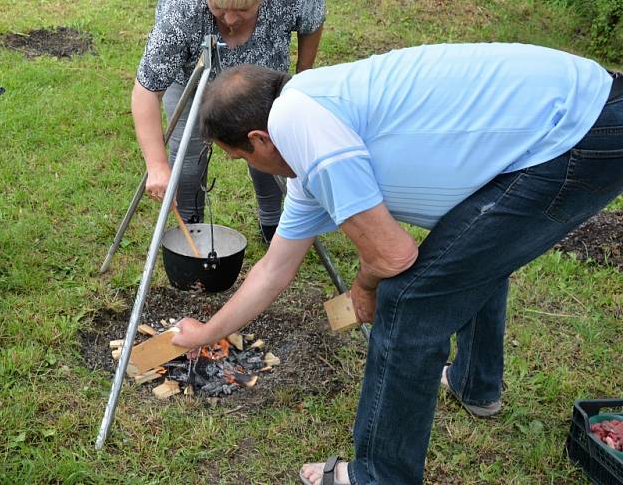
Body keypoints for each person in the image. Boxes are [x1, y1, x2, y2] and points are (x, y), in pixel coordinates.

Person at [170, 43, 623, 484]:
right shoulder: (309, 126)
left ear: (259, 139)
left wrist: (365, 287)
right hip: (578, 112)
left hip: (575, 131)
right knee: (470, 254)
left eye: (242, 158)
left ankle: (379, 475)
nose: (253, 167)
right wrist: (207, 333)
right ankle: (474, 384)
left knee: (410, 300)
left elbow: (393, 255)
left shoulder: (299, 123)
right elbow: (274, 268)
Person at [133, 0, 325, 242]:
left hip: (261, 82)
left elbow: (313, 20)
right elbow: (146, 90)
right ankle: (188, 232)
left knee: (271, 150)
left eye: (244, 9)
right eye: (219, 7)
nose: (231, 19)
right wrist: (156, 165)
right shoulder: (184, 2)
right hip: (193, 81)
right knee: (187, 161)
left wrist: (302, 75)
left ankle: (274, 223)